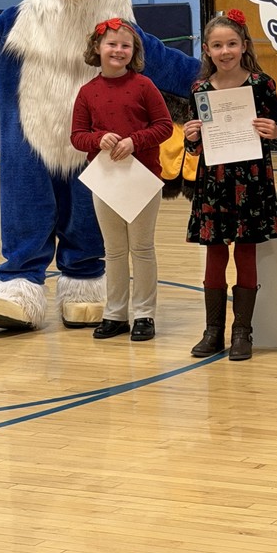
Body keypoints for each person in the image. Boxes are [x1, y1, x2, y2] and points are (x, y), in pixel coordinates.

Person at [183, 9, 277, 361]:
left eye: (231, 43)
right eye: (217, 45)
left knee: (246, 253)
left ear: (244, 45)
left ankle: (242, 331)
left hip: (252, 182)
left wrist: (275, 132)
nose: (225, 51)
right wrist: (191, 136)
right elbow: (195, 145)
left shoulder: (261, 84)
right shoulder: (200, 89)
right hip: (213, 185)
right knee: (214, 255)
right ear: (207, 50)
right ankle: (212, 330)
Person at [71, 17, 173, 341]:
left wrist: (135, 141)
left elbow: (164, 126)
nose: (118, 50)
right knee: (114, 250)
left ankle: (144, 313)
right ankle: (115, 313)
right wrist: (98, 139)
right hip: (106, 181)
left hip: (142, 179)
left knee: (141, 248)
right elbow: (77, 136)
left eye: (125, 45)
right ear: (97, 48)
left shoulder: (144, 86)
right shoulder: (87, 92)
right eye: (112, 44)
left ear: (134, 51)